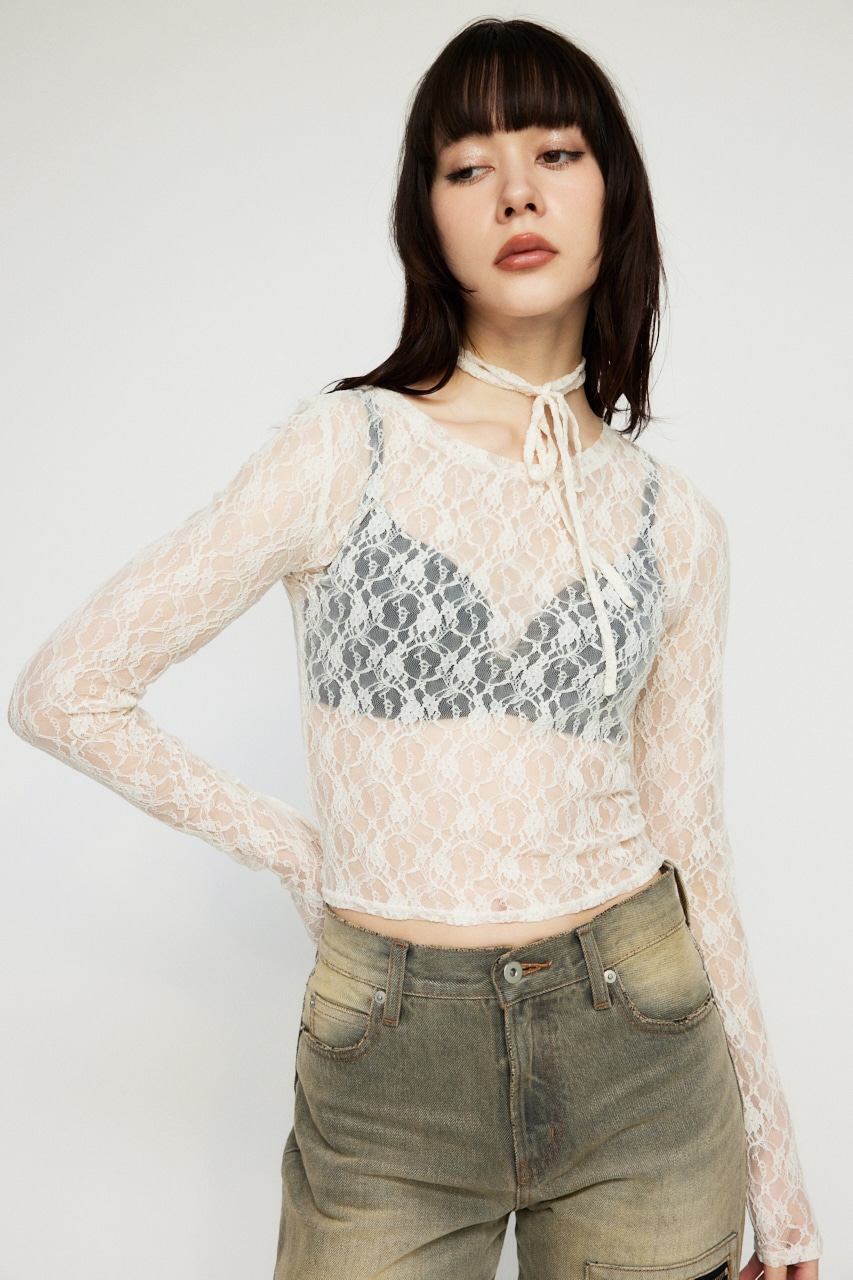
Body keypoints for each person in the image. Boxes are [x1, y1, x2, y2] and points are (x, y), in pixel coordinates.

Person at [8, 17, 821, 1280]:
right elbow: (66, 690)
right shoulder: (344, 451)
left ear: (613, 192)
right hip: (387, 1064)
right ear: (426, 219)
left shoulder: (677, 523)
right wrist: (301, 851)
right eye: (467, 166)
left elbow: (693, 847)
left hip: (646, 1054)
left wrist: (783, 1185)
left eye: (555, 152)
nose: (516, 192)